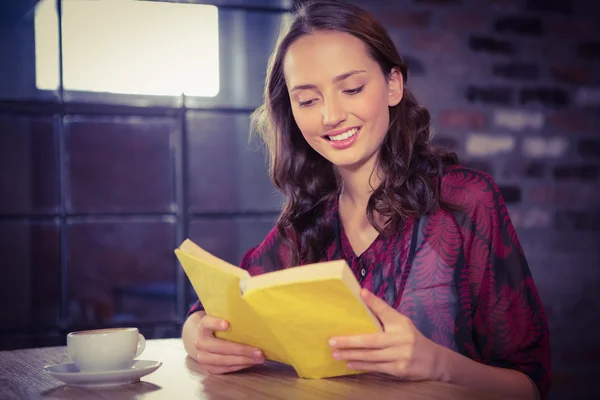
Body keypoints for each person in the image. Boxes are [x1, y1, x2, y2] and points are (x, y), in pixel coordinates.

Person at [181, 0, 551, 398]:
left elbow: (529, 386)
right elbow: (210, 310)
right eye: (308, 100)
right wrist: (198, 335)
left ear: (393, 85)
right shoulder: (306, 225)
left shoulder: (466, 201)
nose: (331, 116)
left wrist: (435, 363)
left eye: (352, 88)